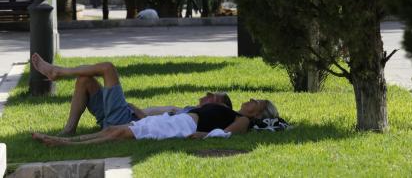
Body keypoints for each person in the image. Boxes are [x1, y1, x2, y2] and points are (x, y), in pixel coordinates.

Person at [31, 54, 280, 146]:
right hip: (163, 123)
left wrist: (203, 136)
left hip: (161, 124)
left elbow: (227, 133)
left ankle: (58, 73)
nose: (250, 100)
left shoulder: (241, 119)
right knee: (88, 83)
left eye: (256, 102)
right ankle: (67, 133)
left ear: (258, 114)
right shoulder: (210, 112)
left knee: (108, 68)